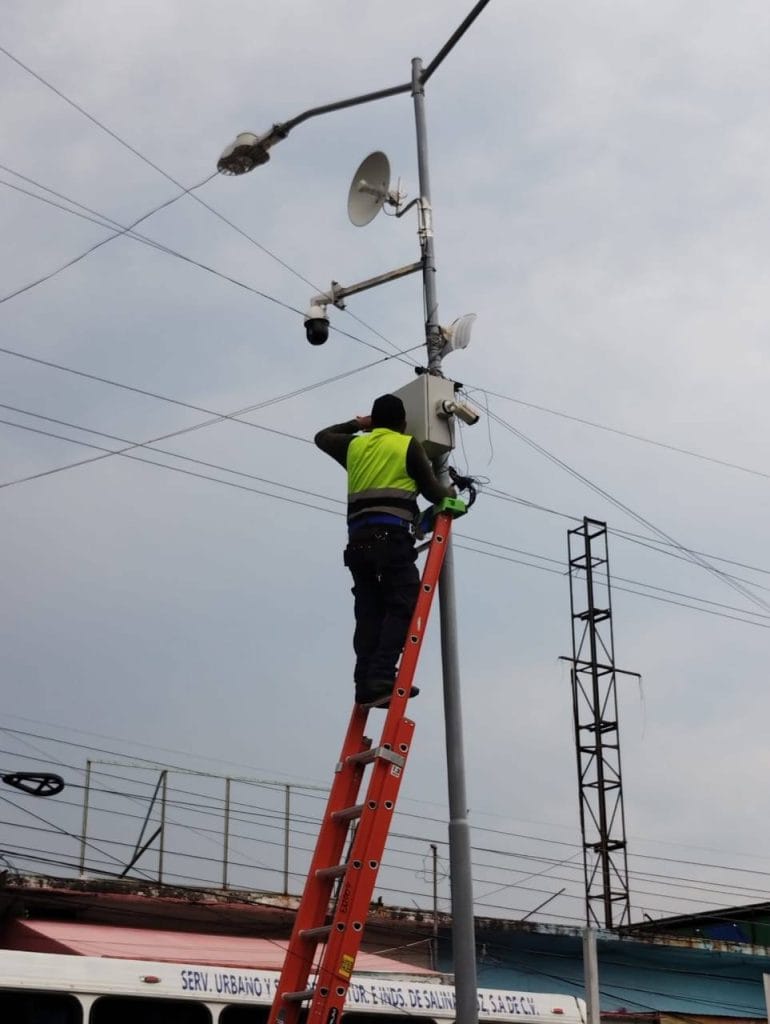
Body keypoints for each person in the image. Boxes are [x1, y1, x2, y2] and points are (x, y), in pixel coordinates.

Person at [315, 394, 454, 705]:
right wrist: (452, 491)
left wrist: (358, 424)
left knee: (369, 612)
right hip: (391, 540)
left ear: (374, 421)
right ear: (403, 423)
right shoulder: (407, 446)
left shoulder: (355, 446)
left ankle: (365, 684)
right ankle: (381, 676)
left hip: (358, 544)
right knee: (403, 604)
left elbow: (322, 436)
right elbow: (435, 493)